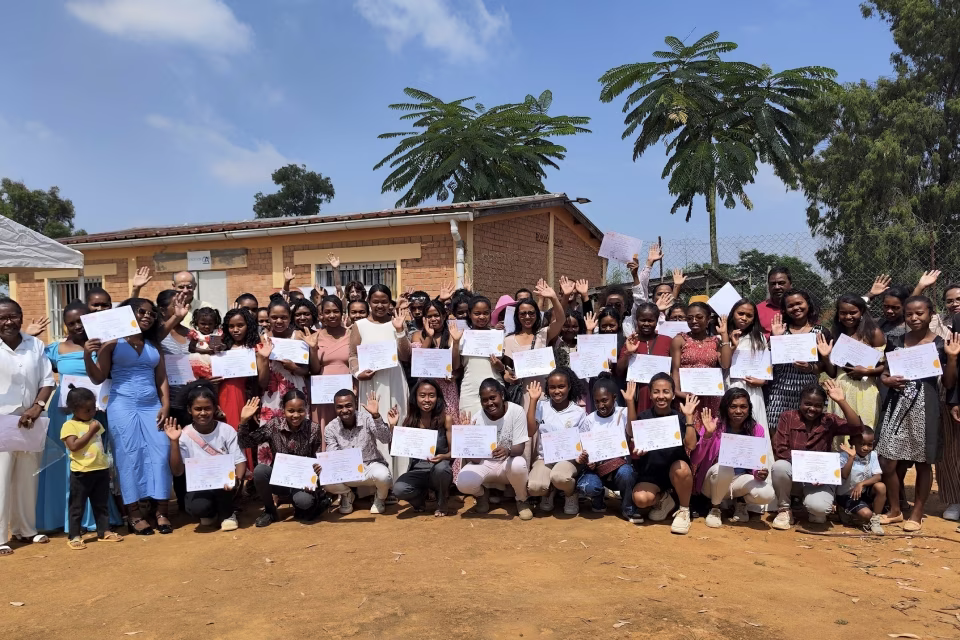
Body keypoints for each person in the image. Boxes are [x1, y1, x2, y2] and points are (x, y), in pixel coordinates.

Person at [84, 297, 172, 535]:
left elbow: (162, 376)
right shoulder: (112, 343)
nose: (147, 316)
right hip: (122, 405)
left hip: (151, 405)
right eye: (141, 311)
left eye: (152, 313)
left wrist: (165, 404)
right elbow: (98, 378)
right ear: (126, 314)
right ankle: (134, 513)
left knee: (160, 452)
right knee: (128, 456)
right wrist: (87, 355)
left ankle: (161, 510)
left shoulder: (153, 344)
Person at [37, 301, 122, 534]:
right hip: (63, 412)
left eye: (80, 321)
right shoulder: (55, 349)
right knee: (64, 463)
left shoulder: (104, 345)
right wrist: (30, 336)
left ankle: (94, 518)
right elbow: (33, 364)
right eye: (71, 323)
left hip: (94, 411)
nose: (76, 326)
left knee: (92, 460)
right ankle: (65, 518)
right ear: (65, 325)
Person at [876, 296, 958, 532]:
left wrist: (952, 358)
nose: (914, 318)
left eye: (920, 313)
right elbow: (885, 373)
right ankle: (894, 510)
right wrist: (886, 379)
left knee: (923, 462)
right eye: (910, 314)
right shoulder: (895, 341)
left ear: (931, 314)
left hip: (926, 406)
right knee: (887, 460)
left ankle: (917, 513)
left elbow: (949, 382)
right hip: (897, 405)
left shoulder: (942, 344)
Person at [0, 298, 55, 556]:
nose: (8, 322)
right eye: (2, 317)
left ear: (21, 317)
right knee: (0, 480)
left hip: (29, 421)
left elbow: (47, 380)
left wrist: (37, 407)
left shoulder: (35, 345)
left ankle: (26, 530)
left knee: (27, 478)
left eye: (13, 316)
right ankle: (0, 537)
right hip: (1, 421)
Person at [771, 381, 864, 530]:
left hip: (820, 478)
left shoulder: (829, 420)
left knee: (820, 511)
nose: (812, 409)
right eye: (807, 403)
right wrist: (807, 472)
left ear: (823, 406)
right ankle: (784, 509)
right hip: (795, 474)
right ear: (800, 402)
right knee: (780, 466)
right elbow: (781, 450)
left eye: (818, 405)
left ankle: (811, 507)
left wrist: (841, 400)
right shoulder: (787, 417)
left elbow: (857, 427)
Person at [348, 284, 410, 489]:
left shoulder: (397, 323)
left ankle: (400, 478)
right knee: (373, 428)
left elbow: (405, 356)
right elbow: (353, 356)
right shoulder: (360, 326)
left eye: (384, 301)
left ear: (390, 303)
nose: (380, 305)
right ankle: (377, 482)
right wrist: (358, 373)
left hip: (394, 381)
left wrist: (400, 331)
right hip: (370, 383)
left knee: (397, 423)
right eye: (376, 301)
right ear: (369, 302)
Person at [163, 381, 245, 531]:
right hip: (200, 486)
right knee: (197, 507)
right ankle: (212, 513)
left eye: (207, 408)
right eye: (198, 409)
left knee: (224, 489)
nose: (203, 413)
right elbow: (177, 471)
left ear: (215, 408)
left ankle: (227, 514)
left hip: (225, 486)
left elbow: (239, 461)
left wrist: (237, 481)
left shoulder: (226, 430)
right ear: (189, 410)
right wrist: (174, 442)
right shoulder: (185, 435)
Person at [238, 391, 327, 527]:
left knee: (305, 503)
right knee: (260, 471)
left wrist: (314, 479)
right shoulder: (274, 425)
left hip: (302, 482)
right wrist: (244, 421)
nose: (296, 415)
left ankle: (312, 503)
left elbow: (317, 459)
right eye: (291, 411)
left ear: (306, 410)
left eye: (300, 411)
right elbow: (245, 443)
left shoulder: (313, 428)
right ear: (283, 410)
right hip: (279, 480)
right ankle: (269, 511)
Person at [690, 388, 775, 528]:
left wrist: (759, 473)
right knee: (724, 467)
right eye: (733, 406)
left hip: (738, 481)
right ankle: (715, 509)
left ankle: (740, 502)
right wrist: (707, 436)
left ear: (749, 408)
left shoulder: (756, 429)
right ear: (725, 407)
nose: (738, 411)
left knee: (766, 493)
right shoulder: (713, 425)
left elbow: (755, 463)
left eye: (743, 406)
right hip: (713, 481)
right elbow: (695, 459)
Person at [630, 373, 699, 535]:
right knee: (640, 500)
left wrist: (689, 418)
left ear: (673, 394)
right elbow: (636, 443)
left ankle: (683, 510)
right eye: (656, 392)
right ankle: (663, 499)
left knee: (681, 468)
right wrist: (640, 449)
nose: (661, 396)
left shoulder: (680, 417)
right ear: (651, 394)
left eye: (666, 391)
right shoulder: (643, 417)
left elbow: (691, 444)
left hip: (676, 472)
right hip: (652, 473)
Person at [455, 378, 533, 520]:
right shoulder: (477, 418)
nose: (489, 403)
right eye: (485, 400)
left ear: (502, 395)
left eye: (493, 398)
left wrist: (508, 450)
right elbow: (475, 460)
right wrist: (467, 436)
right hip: (485, 463)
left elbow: (520, 448)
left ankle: (522, 499)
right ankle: (481, 495)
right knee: (463, 481)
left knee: (518, 464)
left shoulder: (516, 411)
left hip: (507, 463)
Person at [60, 387, 123, 549]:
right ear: (74, 409)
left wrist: (107, 467)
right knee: (77, 506)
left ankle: (104, 531)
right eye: (87, 410)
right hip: (81, 473)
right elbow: (73, 446)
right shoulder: (69, 425)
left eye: (93, 408)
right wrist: (90, 432)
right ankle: (74, 536)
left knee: (101, 503)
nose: (92, 412)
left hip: (100, 470)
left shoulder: (95, 423)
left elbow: (100, 446)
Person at [575, 377, 641, 523]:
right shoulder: (589, 420)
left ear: (614, 398)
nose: (601, 405)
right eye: (597, 401)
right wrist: (587, 460)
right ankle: (598, 500)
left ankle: (628, 507)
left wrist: (630, 402)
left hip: (619, 469)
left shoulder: (623, 413)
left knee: (627, 473)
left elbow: (633, 431)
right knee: (587, 487)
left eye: (605, 400)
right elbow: (584, 448)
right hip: (596, 469)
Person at [255, 298, 312, 466]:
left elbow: (307, 371)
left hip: (296, 390)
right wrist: (264, 360)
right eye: (274, 317)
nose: (279, 321)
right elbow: (262, 382)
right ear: (269, 317)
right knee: (271, 436)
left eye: (284, 317)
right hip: (272, 395)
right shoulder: (263, 339)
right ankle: (271, 480)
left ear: (290, 317)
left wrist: (293, 367)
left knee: (298, 433)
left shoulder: (299, 336)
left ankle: (299, 476)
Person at [322, 390, 395, 515]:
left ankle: (380, 498)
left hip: (370, 465)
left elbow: (385, 438)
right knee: (325, 479)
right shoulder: (330, 428)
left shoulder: (367, 418)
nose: (344, 410)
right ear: (334, 408)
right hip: (347, 470)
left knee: (384, 477)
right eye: (339, 407)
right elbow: (333, 454)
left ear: (355, 404)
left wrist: (376, 416)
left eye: (348, 405)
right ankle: (347, 495)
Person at [525, 368, 587, 515]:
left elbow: (585, 441)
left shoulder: (579, 412)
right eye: (552, 387)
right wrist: (533, 401)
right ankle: (548, 492)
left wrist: (581, 457)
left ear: (569, 387)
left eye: (561, 386)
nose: (557, 391)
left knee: (560, 477)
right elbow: (530, 431)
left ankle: (570, 494)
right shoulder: (541, 406)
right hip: (545, 459)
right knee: (534, 487)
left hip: (569, 460)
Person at [819, 294, 886, 430]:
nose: (848, 316)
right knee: (840, 432)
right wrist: (826, 357)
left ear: (861, 312)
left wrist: (866, 371)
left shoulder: (873, 333)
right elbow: (833, 373)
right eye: (843, 313)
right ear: (838, 314)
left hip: (864, 389)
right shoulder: (837, 333)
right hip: (840, 390)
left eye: (853, 312)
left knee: (863, 432)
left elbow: (884, 367)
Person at [766, 289, 827, 432]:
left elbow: (827, 367)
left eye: (799, 303)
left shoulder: (820, 332)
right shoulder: (781, 330)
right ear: (785, 310)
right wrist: (775, 338)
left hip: (808, 393)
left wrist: (810, 368)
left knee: (804, 434)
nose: (796, 308)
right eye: (790, 306)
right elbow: (768, 362)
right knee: (776, 431)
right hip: (780, 391)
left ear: (808, 304)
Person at [392, 380, 455, 516]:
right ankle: (419, 499)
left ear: (437, 398)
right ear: (415, 398)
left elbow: (454, 452)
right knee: (399, 489)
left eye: (431, 395)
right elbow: (397, 449)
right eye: (422, 395)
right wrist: (393, 427)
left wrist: (443, 457)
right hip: (418, 470)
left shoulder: (446, 419)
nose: (427, 400)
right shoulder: (409, 421)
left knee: (442, 469)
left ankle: (442, 501)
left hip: (438, 470)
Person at [217, 308, 259, 475]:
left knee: (240, 432)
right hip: (222, 394)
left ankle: (244, 476)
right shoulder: (221, 346)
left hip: (243, 395)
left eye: (240, 325)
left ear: (248, 325)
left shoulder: (253, 347)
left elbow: (258, 379)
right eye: (231, 326)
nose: (235, 329)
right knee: (224, 433)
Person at [672, 301, 723, 431]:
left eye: (699, 317)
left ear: (708, 319)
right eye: (689, 318)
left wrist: (726, 336)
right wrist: (678, 392)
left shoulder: (716, 342)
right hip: (687, 397)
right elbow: (675, 369)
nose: (694, 321)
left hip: (710, 397)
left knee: (709, 432)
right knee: (689, 432)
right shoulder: (680, 340)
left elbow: (725, 364)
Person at [453, 296, 504, 419]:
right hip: (470, 391)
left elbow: (505, 368)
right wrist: (455, 343)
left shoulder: (497, 335)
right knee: (471, 430)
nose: (482, 317)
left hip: (495, 389)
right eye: (477, 313)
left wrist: (499, 365)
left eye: (486, 313)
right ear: (469, 314)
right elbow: (455, 366)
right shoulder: (462, 335)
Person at [617, 302, 673, 414]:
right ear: (637, 320)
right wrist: (629, 352)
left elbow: (673, 369)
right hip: (638, 395)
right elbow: (619, 371)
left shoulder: (667, 341)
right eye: (642, 320)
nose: (646, 323)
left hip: (662, 396)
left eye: (650, 320)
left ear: (657, 321)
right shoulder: (631, 341)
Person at [719, 300, 768, 425]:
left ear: (754, 318)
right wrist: (732, 345)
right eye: (740, 313)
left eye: (749, 315)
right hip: (730, 386)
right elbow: (723, 364)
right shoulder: (721, 337)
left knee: (755, 424)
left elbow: (766, 365)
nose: (744, 318)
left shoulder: (759, 337)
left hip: (752, 388)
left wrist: (763, 381)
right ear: (733, 314)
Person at [410, 300, 461, 417]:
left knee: (449, 421)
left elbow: (456, 366)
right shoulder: (417, 335)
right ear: (424, 318)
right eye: (429, 316)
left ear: (443, 316)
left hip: (447, 386)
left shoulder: (452, 335)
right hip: (426, 387)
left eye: (436, 315)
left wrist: (456, 342)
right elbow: (418, 361)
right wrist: (429, 336)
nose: (433, 319)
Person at [310, 296, 352, 431]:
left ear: (342, 312)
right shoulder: (315, 336)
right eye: (327, 312)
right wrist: (312, 348)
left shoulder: (352, 335)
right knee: (325, 428)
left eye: (336, 311)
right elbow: (315, 369)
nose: (332, 315)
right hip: (323, 393)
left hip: (346, 393)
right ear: (321, 314)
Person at [836, 429, 885, 534]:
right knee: (867, 514)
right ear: (851, 443)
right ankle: (844, 509)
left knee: (880, 487)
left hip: (863, 492)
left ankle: (875, 520)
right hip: (847, 495)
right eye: (862, 444)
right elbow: (844, 475)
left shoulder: (873, 455)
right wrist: (851, 457)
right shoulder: (844, 455)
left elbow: (878, 477)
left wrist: (861, 483)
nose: (866, 448)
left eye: (869, 444)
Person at [131, 268, 214, 326]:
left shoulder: (205, 307)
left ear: (195, 286)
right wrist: (136, 289)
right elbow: (130, 312)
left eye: (189, 287)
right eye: (181, 287)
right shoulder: (165, 307)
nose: (185, 291)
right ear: (174, 286)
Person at [187, 306, 223, 380]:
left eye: (210, 324)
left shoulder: (217, 333)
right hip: (200, 360)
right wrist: (206, 351)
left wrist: (221, 347)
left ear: (215, 323)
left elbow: (221, 345)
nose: (207, 326)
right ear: (197, 323)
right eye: (203, 324)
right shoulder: (196, 334)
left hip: (213, 361)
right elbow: (191, 348)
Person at [756, 267, 792, 334]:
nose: (777, 287)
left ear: (790, 284)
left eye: (781, 283)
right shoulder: (757, 310)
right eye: (773, 284)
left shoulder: (800, 309)